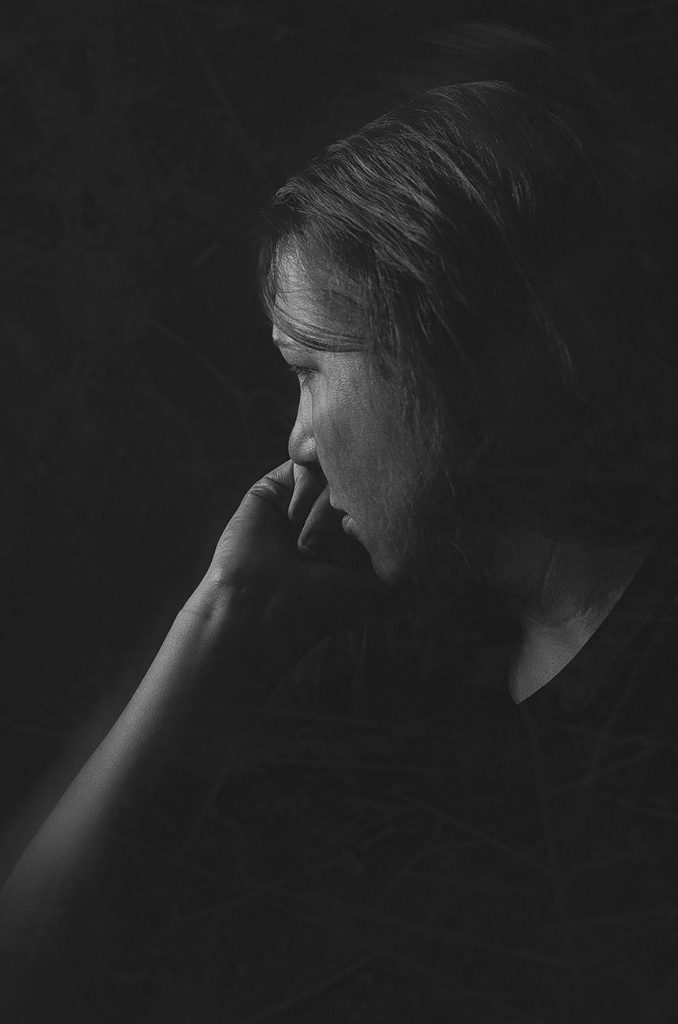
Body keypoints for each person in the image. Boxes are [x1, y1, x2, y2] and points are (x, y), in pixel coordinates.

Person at [2, 22, 678, 1021]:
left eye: (310, 368)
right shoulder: (381, 653)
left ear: (457, 349)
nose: (300, 441)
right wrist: (218, 615)